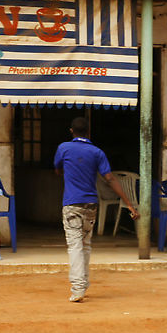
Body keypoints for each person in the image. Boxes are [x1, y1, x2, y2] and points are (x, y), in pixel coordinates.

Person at [54, 117, 139, 303]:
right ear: (89, 132)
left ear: (71, 131)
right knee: (85, 244)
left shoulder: (63, 148)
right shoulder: (97, 152)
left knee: (75, 246)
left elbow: (58, 170)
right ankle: (83, 284)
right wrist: (129, 203)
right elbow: (110, 178)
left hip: (71, 204)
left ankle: (78, 288)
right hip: (91, 205)